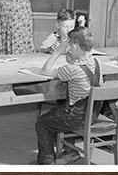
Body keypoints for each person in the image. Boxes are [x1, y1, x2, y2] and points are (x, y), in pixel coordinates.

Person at [34, 26, 101, 164]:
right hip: (92, 114)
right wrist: (72, 60)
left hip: (76, 118)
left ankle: (47, 161)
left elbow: (45, 70)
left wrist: (58, 51)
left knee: (42, 123)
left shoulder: (72, 69)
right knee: (61, 108)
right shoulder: (96, 62)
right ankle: (70, 152)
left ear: (75, 46)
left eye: (70, 45)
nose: (68, 48)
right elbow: (84, 73)